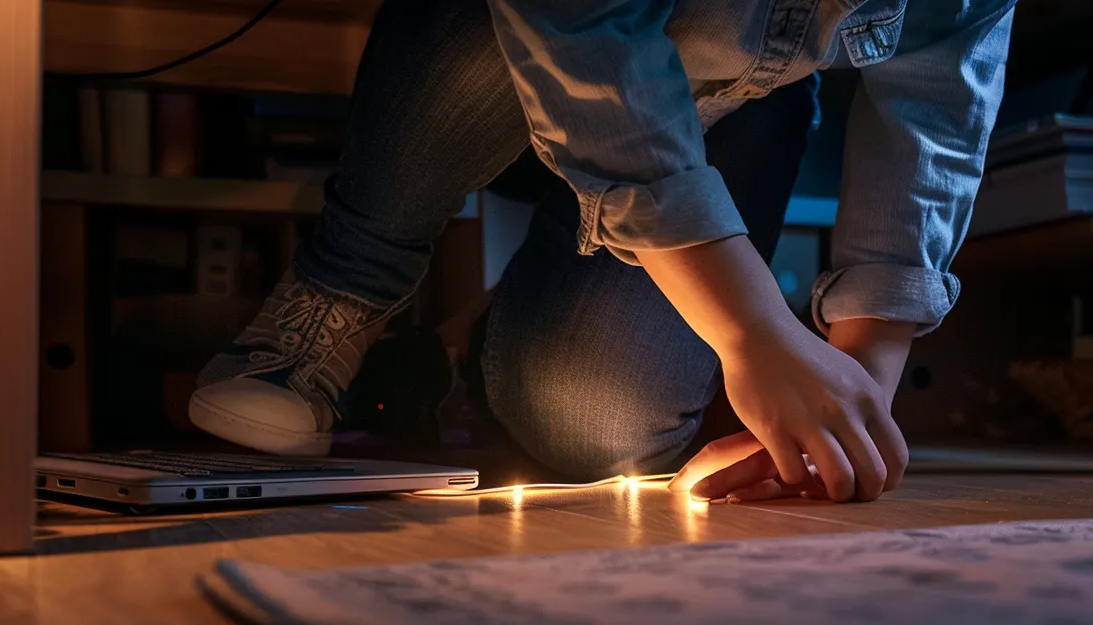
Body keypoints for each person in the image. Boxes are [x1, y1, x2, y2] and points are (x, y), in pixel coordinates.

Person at [190, 0, 1016, 504]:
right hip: (509, 48)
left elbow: (936, 119)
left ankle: (465, 350)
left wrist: (858, 398)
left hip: (728, 109)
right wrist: (752, 334)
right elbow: (579, 30)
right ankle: (338, 293)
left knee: (601, 427)